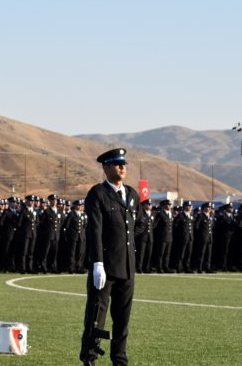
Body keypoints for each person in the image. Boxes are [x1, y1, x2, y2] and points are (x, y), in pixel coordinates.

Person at [79, 148, 140, 366]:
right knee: (97, 316)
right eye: (116, 164)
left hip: (127, 267)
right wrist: (97, 262)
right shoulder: (98, 194)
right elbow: (94, 231)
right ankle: (90, 357)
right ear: (105, 168)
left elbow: (138, 226)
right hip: (105, 267)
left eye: (123, 163)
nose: (122, 167)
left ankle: (119, 359)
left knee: (122, 319)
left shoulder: (132, 195)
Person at [172, 201, 194, 273]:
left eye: (190, 206)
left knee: (188, 253)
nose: (190, 208)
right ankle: (179, 267)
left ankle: (186, 267)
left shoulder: (190, 215)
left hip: (190, 237)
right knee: (181, 253)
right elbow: (176, 226)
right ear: (184, 207)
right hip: (183, 237)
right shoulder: (180, 215)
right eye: (188, 206)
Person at [134, 199, 154, 273]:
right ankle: (139, 267)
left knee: (148, 253)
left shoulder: (152, 214)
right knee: (141, 254)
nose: (149, 206)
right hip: (142, 237)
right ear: (144, 205)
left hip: (150, 237)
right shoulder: (141, 214)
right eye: (148, 204)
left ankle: (146, 267)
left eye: (150, 204)